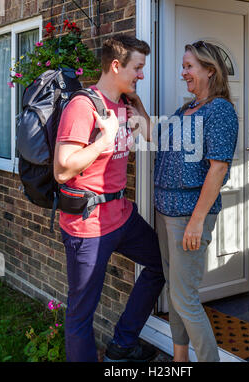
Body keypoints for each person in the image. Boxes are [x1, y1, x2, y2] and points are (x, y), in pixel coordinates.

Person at [53, 34, 165, 363]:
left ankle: (122, 345)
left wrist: (137, 103)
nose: (142, 75)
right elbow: (62, 169)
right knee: (81, 312)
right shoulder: (83, 106)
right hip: (87, 225)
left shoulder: (124, 103)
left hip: (121, 216)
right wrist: (106, 137)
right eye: (138, 68)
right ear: (116, 66)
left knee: (160, 265)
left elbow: (150, 134)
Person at [127, 41, 239, 362]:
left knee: (185, 299)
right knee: (175, 296)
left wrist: (196, 220)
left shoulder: (220, 111)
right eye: (184, 66)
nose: (183, 73)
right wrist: (138, 105)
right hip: (166, 214)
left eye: (189, 66)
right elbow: (155, 136)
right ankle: (180, 360)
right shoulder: (185, 108)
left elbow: (218, 169)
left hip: (189, 217)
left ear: (210, 70)